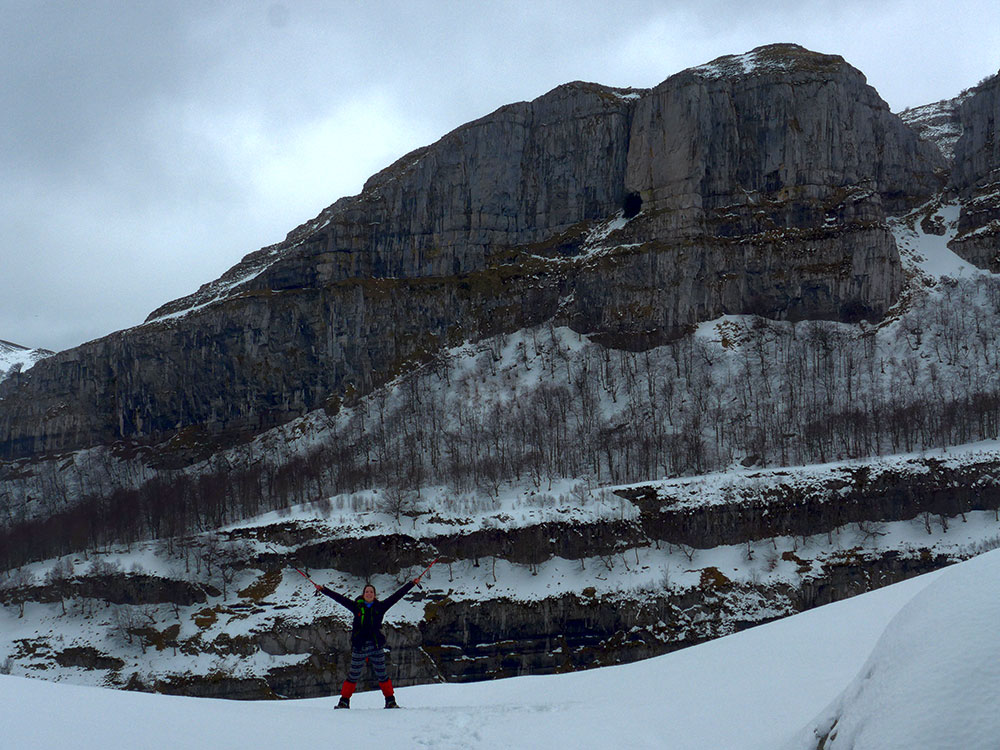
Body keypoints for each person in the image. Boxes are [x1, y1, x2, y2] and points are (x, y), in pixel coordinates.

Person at [314, 578, 417, 709]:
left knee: (382, 674)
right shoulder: (356, 606)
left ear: (374, 595)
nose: (369, 594)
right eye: (367, 592)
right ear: (363, 594)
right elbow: (339, 598)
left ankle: (390, 701)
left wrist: (411, 584)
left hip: (376, 646)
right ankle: (344, 701)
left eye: (371, 592)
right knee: (353, 674)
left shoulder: (380, 607)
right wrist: (324, 590)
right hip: (360, 646)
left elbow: (397, 595)